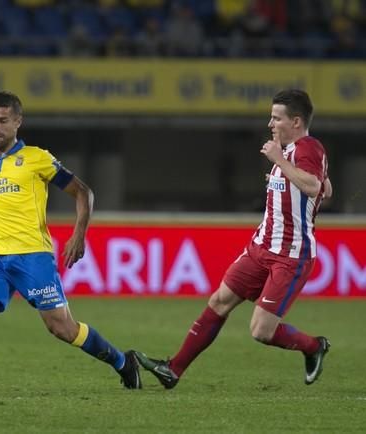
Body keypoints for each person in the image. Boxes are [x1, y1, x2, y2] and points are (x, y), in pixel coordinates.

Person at [0, 91, 143, 392]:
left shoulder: (37, 159)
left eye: (4, 121)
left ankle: (123, 363)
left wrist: (79, 233)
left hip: (32, 257)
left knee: (62, 328)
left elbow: (83, 193)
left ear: (18, 122)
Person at [138, 89, 332, 389]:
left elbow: (312, 186)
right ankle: (173, 370)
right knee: (219, 300)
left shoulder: (307, 147)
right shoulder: (294, 152)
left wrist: (279, 161)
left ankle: (313, 346)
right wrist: (287, 170)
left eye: (276, 118)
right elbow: (325, 189)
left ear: (295, 121)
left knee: (261, 331)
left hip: (290, 254)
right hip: (261, 246)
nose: (270, 123)